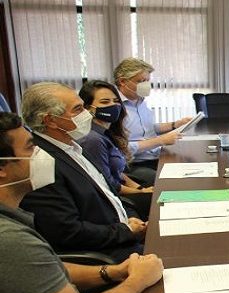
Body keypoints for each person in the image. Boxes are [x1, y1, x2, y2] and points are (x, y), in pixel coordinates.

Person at [0, 111, 163, 293]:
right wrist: (136, 281)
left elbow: (45, 269)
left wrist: (111, 272)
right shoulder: (8, 240)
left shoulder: (12, 222)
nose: (40, 154)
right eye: (30, 147)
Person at [19, 82, 146, 262]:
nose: (88, 114)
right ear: (50, 120)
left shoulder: (73, 146)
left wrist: (132, 220)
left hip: (123, 234)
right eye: (78, 109)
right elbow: (67, 231)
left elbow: (109, 195)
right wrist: (125, 231)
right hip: (107, 253)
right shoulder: (42, 163)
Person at [78, 80, 153, 220]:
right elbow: (108, 184)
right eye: (105, 102)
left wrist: (140, 189)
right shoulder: (93, 140)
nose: (113, 105)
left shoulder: (107, 132)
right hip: (113, 199)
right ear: (88, 108)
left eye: (116, 101)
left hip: (121, 189)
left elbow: (118, 172)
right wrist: (141, 193)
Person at [113, 57, 191, 186]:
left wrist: (175, 124)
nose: (146, 85)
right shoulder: (114, 106)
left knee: (188, 166)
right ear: (122, 81)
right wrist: (161, 140)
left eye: (147, 81)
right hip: (133, 164)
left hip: (153, 156)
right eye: (141, 81)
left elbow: (147, 128)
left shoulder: (140, 101)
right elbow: (120, 148)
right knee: (170, 182)